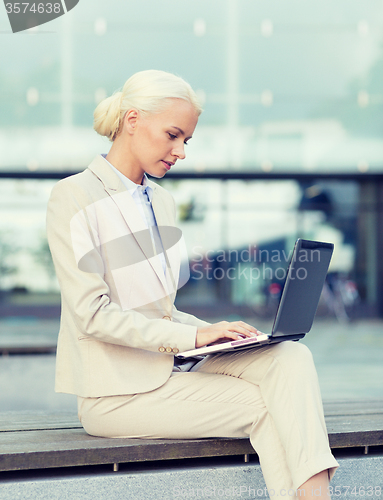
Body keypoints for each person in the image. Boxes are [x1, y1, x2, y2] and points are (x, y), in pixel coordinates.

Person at [46, 69, 338, 498]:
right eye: (173, 135)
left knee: (289, 356)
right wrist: (192, 334)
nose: (181, 151)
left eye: (187, 140)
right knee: (269, 407)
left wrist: (215, 332)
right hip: (116, 395)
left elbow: (156, 307)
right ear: (132, 121)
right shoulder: (74, 196)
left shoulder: (161, 201)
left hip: (170, 366)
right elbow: (92, 316)